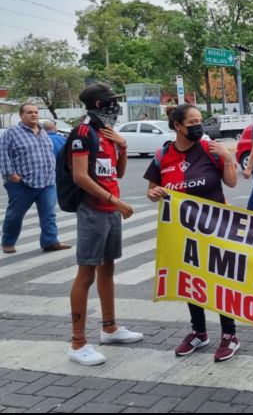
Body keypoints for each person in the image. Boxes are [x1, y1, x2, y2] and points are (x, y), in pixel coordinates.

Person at [145, 104, 240, 362]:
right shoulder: (163, 154)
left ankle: (230, 335)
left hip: (216, 229)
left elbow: (231, 182)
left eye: (200, 120)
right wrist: (154, 193)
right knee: (190, 282)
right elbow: (153, 190)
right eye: (193, 121)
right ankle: (199, 332)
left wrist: (228, 157)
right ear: (177, 126)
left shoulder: (210, 150)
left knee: (221, 281)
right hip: (182, 232)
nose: (199, 125)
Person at [67, 83, 143, 366]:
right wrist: (116, 201)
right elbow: (80, 177)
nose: (116, 106)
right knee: (86, 273)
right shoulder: (84, 132)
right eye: (112, 102)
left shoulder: (107, 134)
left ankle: (109, 327)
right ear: (99, 105)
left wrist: (122, 146)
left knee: (107, 268)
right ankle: (77, 342)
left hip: (110, 208)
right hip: (93, 210)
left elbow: (118, 173)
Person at [0, 104, 70, 254]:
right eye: (29, 112)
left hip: (47, 181)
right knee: (15, 214)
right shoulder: (11, 133)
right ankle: (8, 242)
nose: (33, 115)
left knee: (49, 213)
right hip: (22, 183)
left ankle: (50, 242)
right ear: (21, 115)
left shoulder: (43, 132)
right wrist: (10, 174)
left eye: (36, 112)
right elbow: (3, 154)